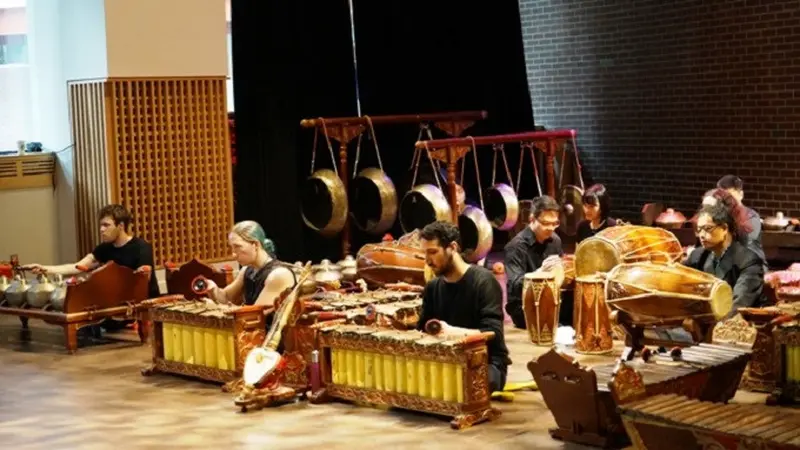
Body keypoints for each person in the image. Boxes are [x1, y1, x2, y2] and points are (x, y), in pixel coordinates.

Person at [24, 204, 160, 332]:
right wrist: (43, 269)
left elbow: (143, 279)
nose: (101, 230)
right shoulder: (104, 248)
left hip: (137, 302)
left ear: (121, 226)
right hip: (115, 301)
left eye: (106, 225)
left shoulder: (141, 247)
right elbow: (77, 267)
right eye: (101, 225)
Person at [416, 221, 510, 393]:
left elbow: (492, 334)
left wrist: (450, 332)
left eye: (433, 252)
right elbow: (423, 329)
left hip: (485, 363)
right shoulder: (432, 287)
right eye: (425, 253)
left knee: (460, 386)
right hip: (447, 362)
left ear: (452, 247)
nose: (428, 260)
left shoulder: (484, 282)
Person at [684, 203, 767, 317]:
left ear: (724, 228)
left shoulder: (748, 261)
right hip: (704, 321)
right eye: (699, 230)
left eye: (708, 229)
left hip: (737, 326)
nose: (701, 235)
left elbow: (738, 305)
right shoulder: (698, 256)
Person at [202, 221, 296, 312]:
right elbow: (226, 297)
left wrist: (217, 307)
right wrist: (213, 290)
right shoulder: (248, 269)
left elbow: (255, 314)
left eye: (238, 247)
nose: (233, 254)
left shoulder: (278, 275)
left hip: (266, 327)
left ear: (255, 244)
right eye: (232, 247)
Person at [504, 195, 564, 329]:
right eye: (545, 223)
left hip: (549, 299)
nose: (551, 228)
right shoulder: (515, 247)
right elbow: (515, 285)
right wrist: (539, 274)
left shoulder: (555, 240)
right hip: (523, 306)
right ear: (532, 219)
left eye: (555, 223)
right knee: (558, 324)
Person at [701, 187, 765, 264]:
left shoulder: (743, 231)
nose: (705, 213)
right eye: (704, 209)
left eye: (710, 209)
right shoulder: (705, 227)